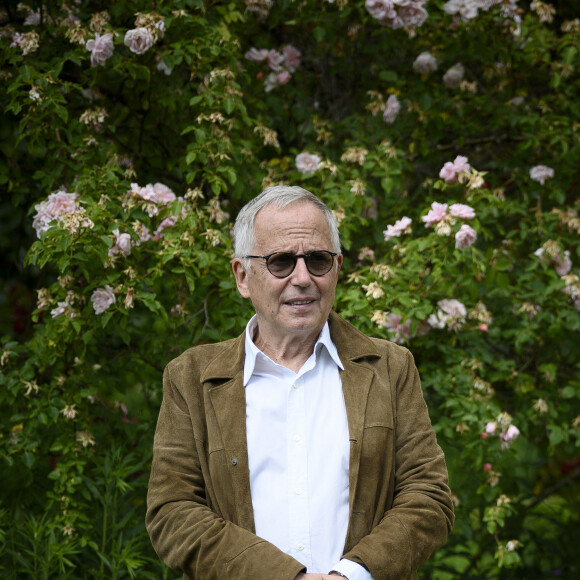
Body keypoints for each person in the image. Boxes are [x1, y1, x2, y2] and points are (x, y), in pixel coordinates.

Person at [146, 185, 454, 580]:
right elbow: (172, 513)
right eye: (281, 262)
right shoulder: (191, 377)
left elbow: (428, 496)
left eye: (318, 260)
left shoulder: (390, 368)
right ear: (243, 276)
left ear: (337, 268)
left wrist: (352, 575)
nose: (303, 277)